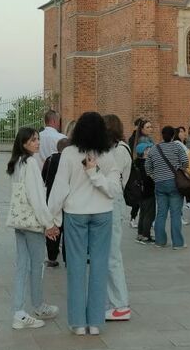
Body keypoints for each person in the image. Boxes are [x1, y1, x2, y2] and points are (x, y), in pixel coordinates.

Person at [48, 112, 120, 335]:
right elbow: (114, 190)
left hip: (75, 213)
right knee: (99, 266)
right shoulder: (108, 154)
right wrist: (96, 174)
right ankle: (95, 322)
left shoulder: (68, 153)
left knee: (76, 268)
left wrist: (51, 220)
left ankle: (78, 323)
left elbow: (60, 188)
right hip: (102, 213)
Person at [5, 127, 61, 329]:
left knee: (23, 265)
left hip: (20, 221)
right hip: (32, 222)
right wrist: (49, 223)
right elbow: (36, 197)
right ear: (24, 143)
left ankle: (30, 307)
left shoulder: (17, 163)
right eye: (33, 140)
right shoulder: (30, 163)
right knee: (36, 265)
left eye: (37, 139)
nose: (37, 142)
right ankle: (25, 310)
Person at [102, 114, 134, 322]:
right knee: (108, 254)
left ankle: (120, 304)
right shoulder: (114, 149)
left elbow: (116, 178)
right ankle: (115, 300)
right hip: (111, 200)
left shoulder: (119, 151)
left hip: (113, 200)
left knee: (112, 254)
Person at [145, 125, 189, 249]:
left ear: (162, 135)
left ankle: (160, 241)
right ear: (173, 135)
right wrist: (179, 170)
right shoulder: (177, 147)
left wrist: (155, 176)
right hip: (174, 183)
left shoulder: (154, 149)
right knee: (175, 214)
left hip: (159, 184)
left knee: (161, 213)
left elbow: (147, 167)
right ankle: (178, 243)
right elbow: (186, 162)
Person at [129, 119, 156, 242]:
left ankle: (141, 233)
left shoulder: (139, 142)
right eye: (148, 127)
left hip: (141, 185)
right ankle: (145, 234)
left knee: (144, 210)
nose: (151, 129)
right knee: (149, 210)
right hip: (147, 184)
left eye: (151, 127)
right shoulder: (146, 144)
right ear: (142, 129)